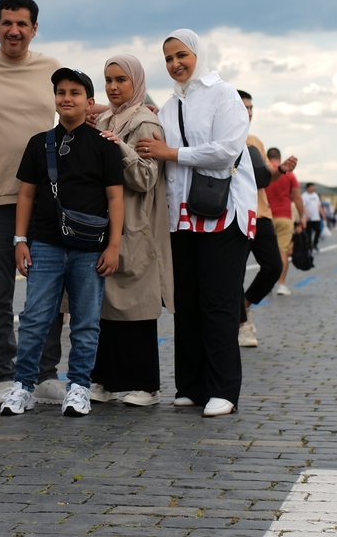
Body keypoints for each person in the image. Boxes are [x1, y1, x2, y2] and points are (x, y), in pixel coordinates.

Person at [137, 30, 254, 418]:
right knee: (185, 303)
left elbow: (226, 151)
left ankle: (223, 389)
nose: (175, 64)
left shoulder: (225, 95)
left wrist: (170, 152)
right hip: (182, 218)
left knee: (218, 303)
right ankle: (191, 385)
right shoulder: (170, 105)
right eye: (168, 58)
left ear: (197, 55)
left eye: (181, 55)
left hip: (224, 213)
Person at [0, 67, 125, 418]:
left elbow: (116, 199)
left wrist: (113, 246)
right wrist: (20, 240)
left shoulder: (104, 145)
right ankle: (23, 386)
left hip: (91, 250)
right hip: (45, 246)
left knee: (85, 321)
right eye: (60, 92)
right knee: (35, 318)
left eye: (74, 92)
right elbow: (25, 195)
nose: (66, 98)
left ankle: (79, 388)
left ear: (90, 102)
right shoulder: (39, 143)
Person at [0, 0, 66, 407]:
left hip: (44, 199)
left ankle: (44, 374)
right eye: (7, 23)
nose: (14, 31)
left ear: (34, 28)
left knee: (48, 290)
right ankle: (4, 376)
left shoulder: (51, 69)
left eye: (22, 24)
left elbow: (73, 112)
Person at [89, 55, 173, 408]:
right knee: (104, 306)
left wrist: (118, 147)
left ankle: (145, 385)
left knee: (136, 306)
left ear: (135, 82)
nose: (113, 86)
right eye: (108, 79)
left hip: (136, 224)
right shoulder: (105, 118)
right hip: (104, 224)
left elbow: (147, 177)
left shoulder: (145, 122)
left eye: (121, 79)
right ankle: (105, 380)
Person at [238, 90, 279, 347]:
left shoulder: (255, 141)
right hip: (236, 216)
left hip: (261, 213)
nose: (249, 112)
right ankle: (242, 325)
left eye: (251, 108)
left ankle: (244, 304)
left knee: (274, 266)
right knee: (234, 275)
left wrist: (281, 171)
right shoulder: (220, 138)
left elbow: (265, 177)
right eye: (244, 107)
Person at [264, 150, 299, 293]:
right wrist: (302, 217)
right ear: (279, 157)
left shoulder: (265, 171)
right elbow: (297, 197)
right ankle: (281, 284)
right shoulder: (289, 174)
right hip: (284, 216)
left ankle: (267, 284)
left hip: (265, 216)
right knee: (283, 251)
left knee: (266, 254)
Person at [301, 183, 323, 255]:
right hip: (308, 218)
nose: (313, 188)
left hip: (316, 217)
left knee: (318, 230)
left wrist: (322, 214)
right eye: (312, 187)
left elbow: (318, 205)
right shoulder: (304, 196)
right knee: (308, 233)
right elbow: (303, 206)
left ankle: (315, 243)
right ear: (308, 187)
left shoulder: (315, 195)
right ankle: (309, 247)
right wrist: (306, 214)